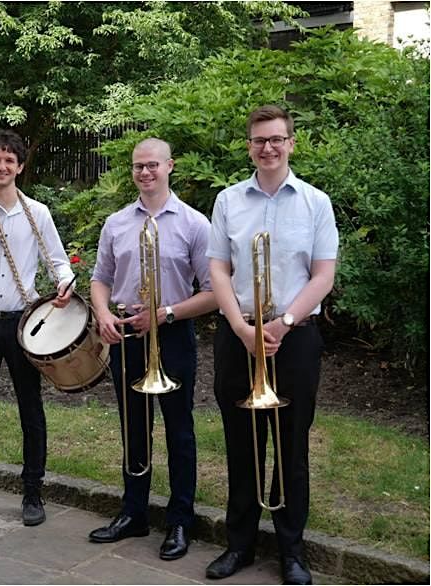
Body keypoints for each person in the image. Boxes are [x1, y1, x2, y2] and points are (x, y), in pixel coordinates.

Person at [205, 105, 338, 585]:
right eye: (260, 140)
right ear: (249, 146)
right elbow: (218, 268)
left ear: (291, 143)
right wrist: (242, 328)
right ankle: (238, 545)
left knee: (290, 447)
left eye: (277, 139)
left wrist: (283, 322)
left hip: (294, 339)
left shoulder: (314, 202)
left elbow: (324, 274)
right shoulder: (227, 201)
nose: (268, 147)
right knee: (242, 446)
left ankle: (291, 549)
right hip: (237, 335)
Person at [88, 138, 216, 560]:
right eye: (138, 166)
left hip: (173, 335)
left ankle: (181, 521)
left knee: (179, 432)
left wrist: (165, 314)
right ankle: (134, 512)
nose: (145, 173)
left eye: (152, 165)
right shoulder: (117, 223)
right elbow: (101, 278)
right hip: (125, 333)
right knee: (133, 429)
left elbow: (214, 293)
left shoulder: (195, 224)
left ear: (169, 167)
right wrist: (103, 314)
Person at [0, 129, 75, 526]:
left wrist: (64, 285)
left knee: (30, 409)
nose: (1, 166)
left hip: (26, 324)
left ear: (20, 166)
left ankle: (33, 493)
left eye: (9, 160)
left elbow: (59, 262)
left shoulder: (37, 213)